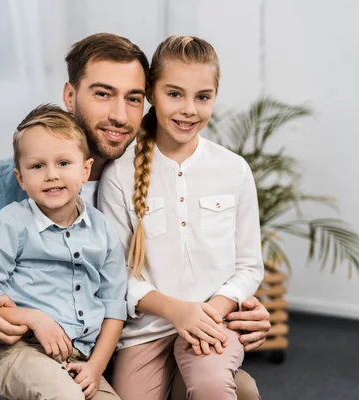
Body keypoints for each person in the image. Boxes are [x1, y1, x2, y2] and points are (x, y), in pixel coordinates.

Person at [0, 33, 270, 400]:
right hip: (5, 384)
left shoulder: (139, 178)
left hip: (100, 370)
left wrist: (237, 311)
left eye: (132, 99)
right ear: (70, 96)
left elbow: (151, 281)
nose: (119, 115)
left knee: (240, 388)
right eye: (103, 94)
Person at [98, 35, 264, 400]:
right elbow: (116, 274)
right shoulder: (119, 175)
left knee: (210, 385)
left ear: (214, 97)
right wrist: (177, 312)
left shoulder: (234, 170)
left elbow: (249, 265)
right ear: (152, 94)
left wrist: (207, 313)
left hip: (214, 321)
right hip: (145, 331)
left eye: (202, 97)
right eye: (174, 94)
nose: (189, 109)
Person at [0, 104, 126, 399]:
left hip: (80, 360)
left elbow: (115, 305)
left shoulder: (102, 229)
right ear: (21, 179)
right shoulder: (11, 224)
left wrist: (96, 367)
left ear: (85, 170)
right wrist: (34, 319)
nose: (51, 174)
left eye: (63, 163)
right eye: (38, 166)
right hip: (20, 352)